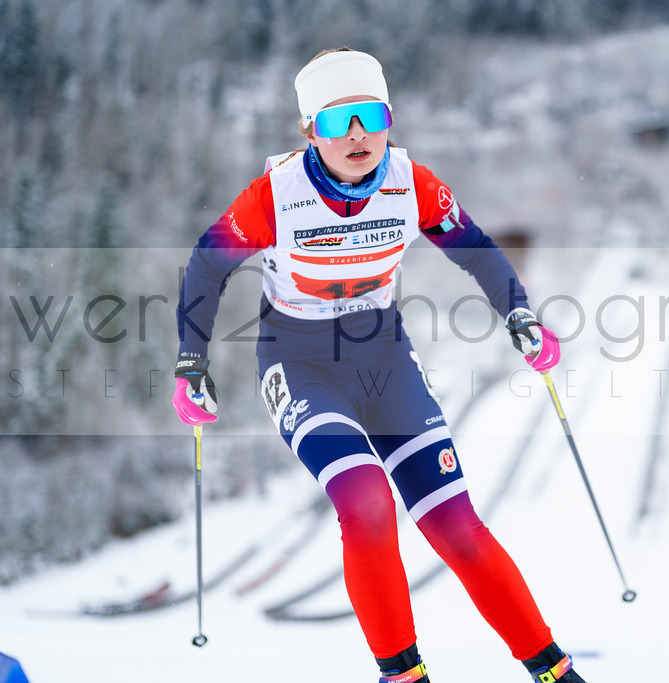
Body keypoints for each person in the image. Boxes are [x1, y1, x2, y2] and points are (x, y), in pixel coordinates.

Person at [171, 48, 586, 683]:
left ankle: (554, 671)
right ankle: (405, 676)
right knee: (366, 503)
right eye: (338, 122)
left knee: (457, 525)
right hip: (301, 361)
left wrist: (520, 316)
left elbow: (475, 250)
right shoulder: (273, 197)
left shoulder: (411, 183)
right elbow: (207, 263)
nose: (357, 135)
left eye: (370, 116)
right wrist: (190, 359)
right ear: (312, 131)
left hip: (383, 358)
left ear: (389, 119)